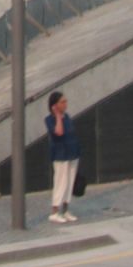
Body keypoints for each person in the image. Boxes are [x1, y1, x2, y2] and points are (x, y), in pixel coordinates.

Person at [44, 90, 81, 224]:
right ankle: (54, 211)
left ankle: (65, 210)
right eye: (62, 102)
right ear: (55, 105)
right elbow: (58, 132)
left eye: (66, 101)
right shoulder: (50, 119)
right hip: (60, 155)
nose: (65, 104)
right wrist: (58, 116)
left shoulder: (68, 117)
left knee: (69, 182)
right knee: (61, 182)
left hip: (72, 153)